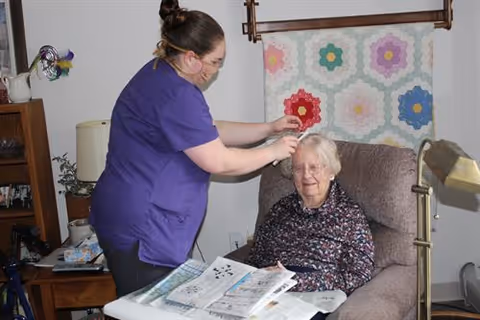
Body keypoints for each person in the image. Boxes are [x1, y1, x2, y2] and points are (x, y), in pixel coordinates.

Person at [88, 0, 302, 298]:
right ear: (190, 57)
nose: (216, 70)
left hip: (131, 216)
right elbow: (217, 160)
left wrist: (268, 129)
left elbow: (208, 132)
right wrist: (274, 151)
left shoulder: (159, 73)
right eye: (215, 61)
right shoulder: (175, 93)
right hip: (141, 226)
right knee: (148, 312)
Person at [246, 133, 375, 320]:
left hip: (313, 298)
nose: (306, 175)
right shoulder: (280, 209)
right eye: (298, 168)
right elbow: (255, 258)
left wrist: (296, 281)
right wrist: (261, 276)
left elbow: (359, 274)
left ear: (331, 171)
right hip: (270, 295)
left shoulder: (349, 215)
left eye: (314, 167)